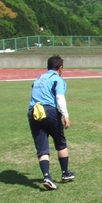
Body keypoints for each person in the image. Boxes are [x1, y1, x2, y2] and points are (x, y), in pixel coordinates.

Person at [28, 55, 75, 190]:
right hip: (49, 110)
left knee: (42, 146)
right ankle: (65, 173)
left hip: (33, 111)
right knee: (60, 142)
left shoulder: (38, 78)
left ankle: (47, 176)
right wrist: (65, 115)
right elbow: (59, 97)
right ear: (60, 68)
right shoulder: (57, 79)